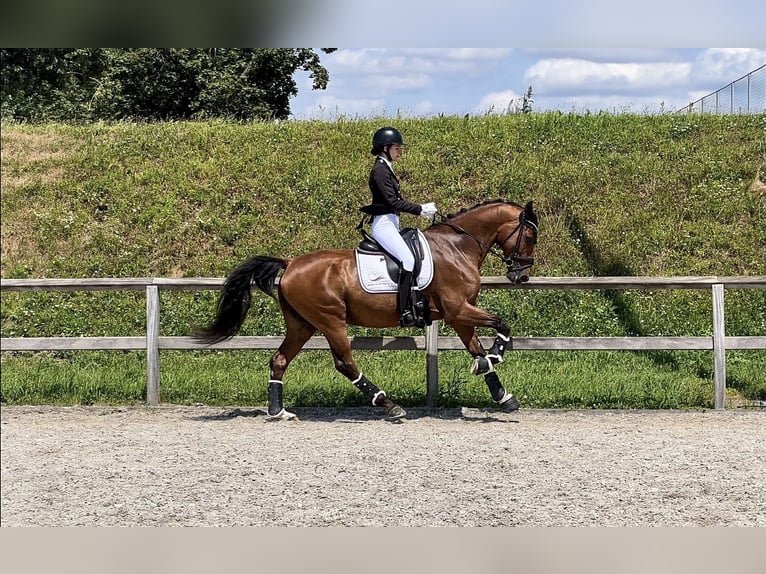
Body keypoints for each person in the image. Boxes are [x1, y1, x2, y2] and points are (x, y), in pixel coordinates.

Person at [360, 126, 437, 327]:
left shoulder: (386, 168)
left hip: (391, 222)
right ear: (385, 148)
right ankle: (405, 311)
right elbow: (393, 202)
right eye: (396, 147)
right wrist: (420, 209)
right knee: (408, 260)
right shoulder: (380, 170)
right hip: (384, 224)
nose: (400, 151)